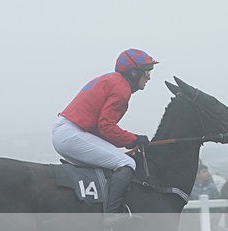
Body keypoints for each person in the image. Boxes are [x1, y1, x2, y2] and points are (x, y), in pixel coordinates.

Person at [52, 48, 157, 219]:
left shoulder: (112, 80)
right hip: (71, 134)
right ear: (133, 72)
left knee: (117, 160)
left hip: (69, 132)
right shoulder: (121, 88)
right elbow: (106, 127)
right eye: (147, 72)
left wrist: (122, 146)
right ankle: (112, 215)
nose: (149, 77)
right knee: (127, 163)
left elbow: (100, 129)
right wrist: (134, 139)